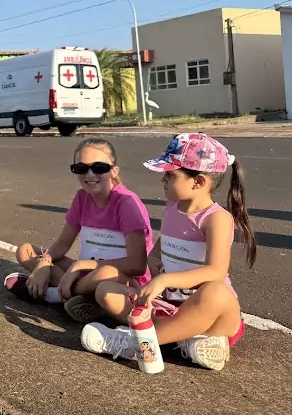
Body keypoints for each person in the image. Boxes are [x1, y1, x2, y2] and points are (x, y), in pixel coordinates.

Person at [81, 133, 254, 371]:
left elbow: (216, 271)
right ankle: (190, 342)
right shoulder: (173, 208)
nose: (163, 179)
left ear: (199, 182)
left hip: (212, 314)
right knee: (106, 290)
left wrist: (165, 279)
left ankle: (133, 342)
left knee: (216, 292)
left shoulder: (216, 219)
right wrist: (153, 261)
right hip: (170, 307)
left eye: (170, 175)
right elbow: (165, 243)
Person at [3, 139, 153, 324]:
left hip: (122, 281)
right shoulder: (82, 198)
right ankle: (80, 299)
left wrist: (80, 266)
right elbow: (63, 243)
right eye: (81, 168)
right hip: (84, 275)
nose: (89, 174)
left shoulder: (126, 204)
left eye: (99, 167)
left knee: (104, 274)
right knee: (25, 250)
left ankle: (49, 294)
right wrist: (44, 263)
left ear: (114, 170)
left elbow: (137, 265)